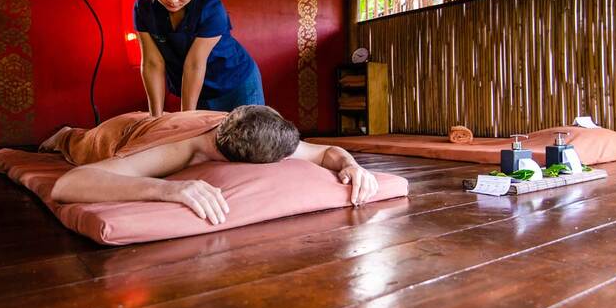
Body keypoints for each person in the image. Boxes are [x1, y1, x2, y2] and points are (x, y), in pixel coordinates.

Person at [44, 105, 379, 225]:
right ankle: (63, 134)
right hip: (123, 130)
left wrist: (349, 165)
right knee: (77, 143)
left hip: (169, 117)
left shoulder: (261, 136)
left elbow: (325, 152)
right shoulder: (180, 151)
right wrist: (165, 188)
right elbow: (67, 184)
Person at [135, 0, 263, 116]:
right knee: (203, 144)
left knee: (250, 142)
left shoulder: (211, 8)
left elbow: (194, 64)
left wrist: (186, 120)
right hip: (197, 87)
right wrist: (155, 118)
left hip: (236, 84)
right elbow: (152, 63)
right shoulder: (144, 8)